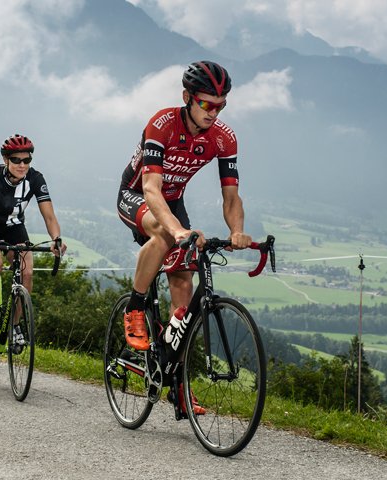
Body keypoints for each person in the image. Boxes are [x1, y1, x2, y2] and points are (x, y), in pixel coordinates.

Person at [115, 60, 251, 415]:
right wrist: (177, 230)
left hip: (174, 204)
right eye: (207, 104)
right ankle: (135, 308)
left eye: (221, 105)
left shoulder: (223, 138)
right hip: (138, 196)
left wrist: (237, 231)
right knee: (163, 234)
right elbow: (151, 188)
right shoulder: (162, 124)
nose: (214, 112)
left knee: (183, 286)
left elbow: (231, 197)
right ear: (187, 97)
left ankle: (176, 381)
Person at [0, 134, 66, 351]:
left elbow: (49, 216)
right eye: (16, 160)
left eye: (27, 160)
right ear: (6, 160)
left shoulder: (35, 178)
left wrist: (56, 239)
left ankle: (14, 326)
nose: (22, 165)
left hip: (14, 227)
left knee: (27, 271)